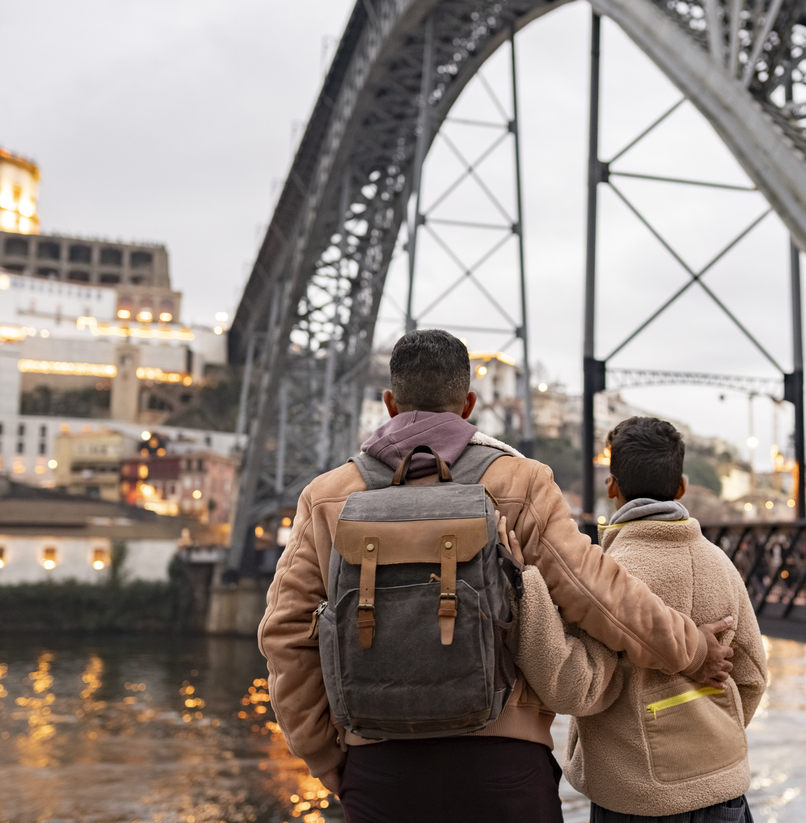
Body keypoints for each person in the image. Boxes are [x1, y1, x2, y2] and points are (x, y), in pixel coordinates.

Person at [258, 329, 735, 823]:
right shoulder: (520, 482)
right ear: (468, 404)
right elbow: (596, 592)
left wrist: (326, 757)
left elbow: (285, 633)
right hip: (504, 769)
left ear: (388, 403)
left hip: (379, 768)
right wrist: (692, 650)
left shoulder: (328, 495)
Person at [513, 416, 768, 823]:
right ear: (681, 486)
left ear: (612, 486)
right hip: (725, 791)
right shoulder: (721, 565)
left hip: (639, 800)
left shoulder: (605, 576)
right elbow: (751, 676)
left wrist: (528, 587)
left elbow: (577, 689)